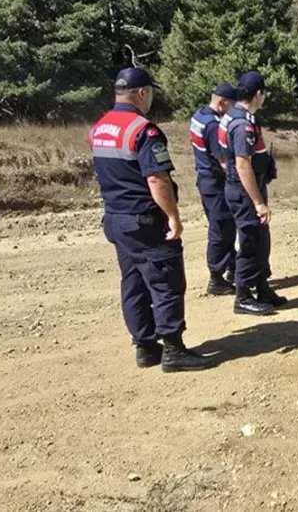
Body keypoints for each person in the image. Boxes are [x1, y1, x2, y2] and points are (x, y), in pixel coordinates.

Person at [88, 67, 213, 372]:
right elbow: (156, 179)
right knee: (165, 280)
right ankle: (172, 349)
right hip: (144, 219)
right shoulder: (144, 130)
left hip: (116, 218)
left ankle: (145, 347)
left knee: (133, 282)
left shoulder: (100, 127)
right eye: (151, 93)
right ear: (142, 93)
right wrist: (173, 216)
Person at [219, 70, 286, 315]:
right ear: (259, 94)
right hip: (245, 191)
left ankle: (262, 286)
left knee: (260, 239)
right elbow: (242, 163)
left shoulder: (233, 116)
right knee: (250, 241)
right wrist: (258, 201)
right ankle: (243, 296)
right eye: (264, 93)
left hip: (245, 187)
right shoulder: (242, 123)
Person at [190, 83, 239, 296]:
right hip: (215, 183)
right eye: (232, 105)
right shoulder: (212, 125)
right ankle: (216, 278)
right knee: (221, 230)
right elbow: (222, 161)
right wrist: (241, 178)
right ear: (222, 102)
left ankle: (232, 268)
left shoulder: (198, 115)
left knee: (224, 227)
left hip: (205, 180)